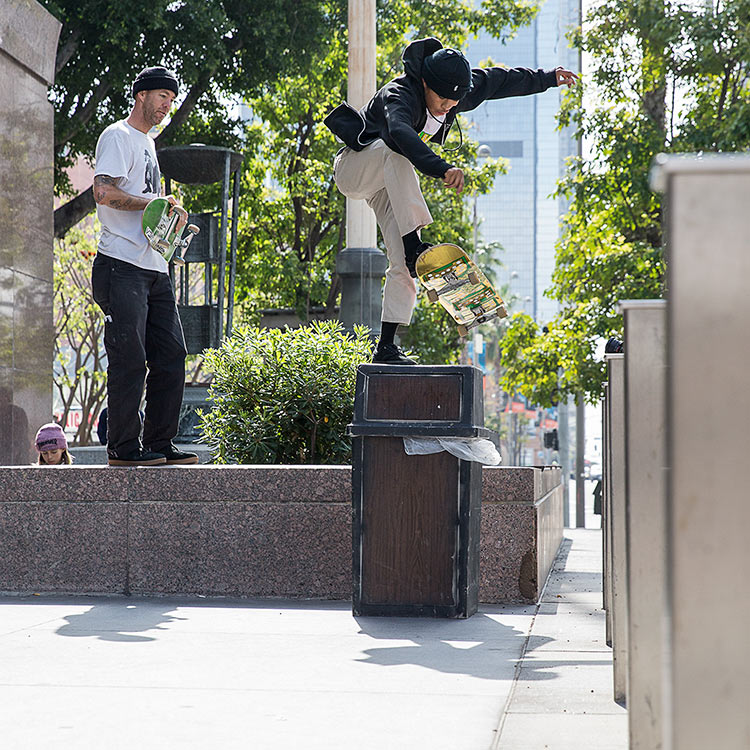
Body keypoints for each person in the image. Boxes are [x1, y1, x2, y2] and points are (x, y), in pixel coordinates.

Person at [326, 37, 578, 364]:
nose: (447, 107)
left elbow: (498, 80)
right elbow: (401, 132)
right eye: (442, 99)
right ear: (426, 83)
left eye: (453, 102)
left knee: (403, 263)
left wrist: (546, 78)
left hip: (385, 183)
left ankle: (386, 346)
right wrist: (441, 168)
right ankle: (414, 243)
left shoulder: (455, 93)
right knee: (396, 148)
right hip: (354, 168)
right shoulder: (398, 95)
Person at [91, 66, 198, 466]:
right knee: (130, 358)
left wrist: (171, 218)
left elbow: (147, 206)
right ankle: (122, 448)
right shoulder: (117, 135)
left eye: (171, 101)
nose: (167, 107)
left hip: (155, 266)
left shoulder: (149, 144)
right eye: (162, 98)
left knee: (172, 355)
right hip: (120, 264)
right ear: (141, 96)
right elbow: (104, 192)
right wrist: (153, 204)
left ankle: (158, 443)